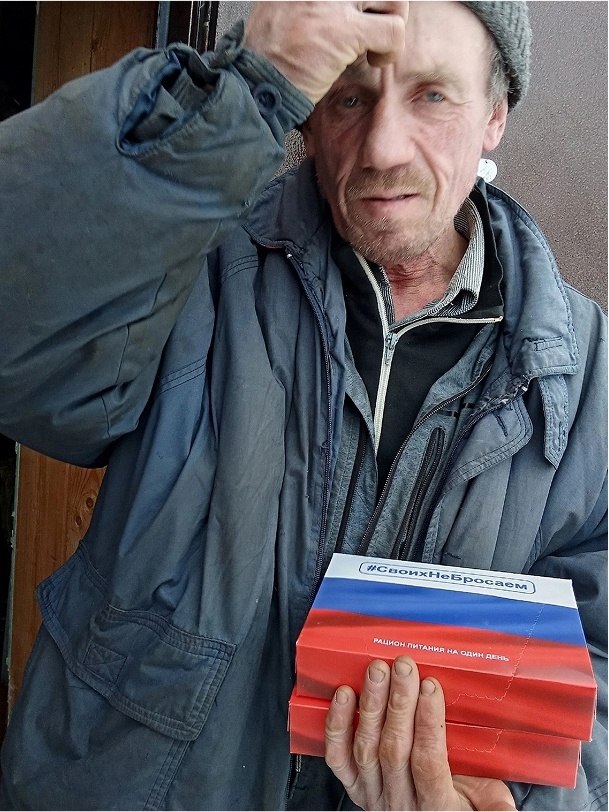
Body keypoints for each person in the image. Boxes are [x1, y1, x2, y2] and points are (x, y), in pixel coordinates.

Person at [0, 1, 606, 810]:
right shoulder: (191, 274)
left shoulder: (588, 371)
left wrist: (518, 803)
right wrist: (237, 88)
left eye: (431, 95)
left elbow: (599, 664)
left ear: (494, 116)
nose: (383, 148)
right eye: (349, 96)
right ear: (308, 116)